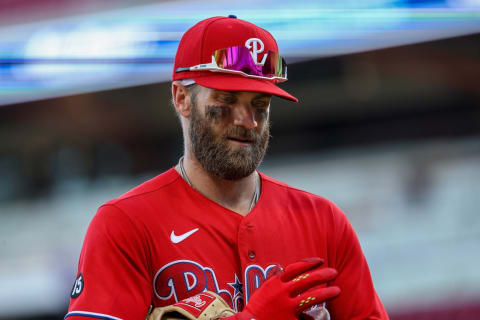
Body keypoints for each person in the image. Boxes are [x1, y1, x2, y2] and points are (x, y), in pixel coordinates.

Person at [66, 15, 388, 320]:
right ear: (181, 98)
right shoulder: (125, 225)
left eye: (259, 105)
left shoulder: (324, 223)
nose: (247, 121)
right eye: (227, 100)